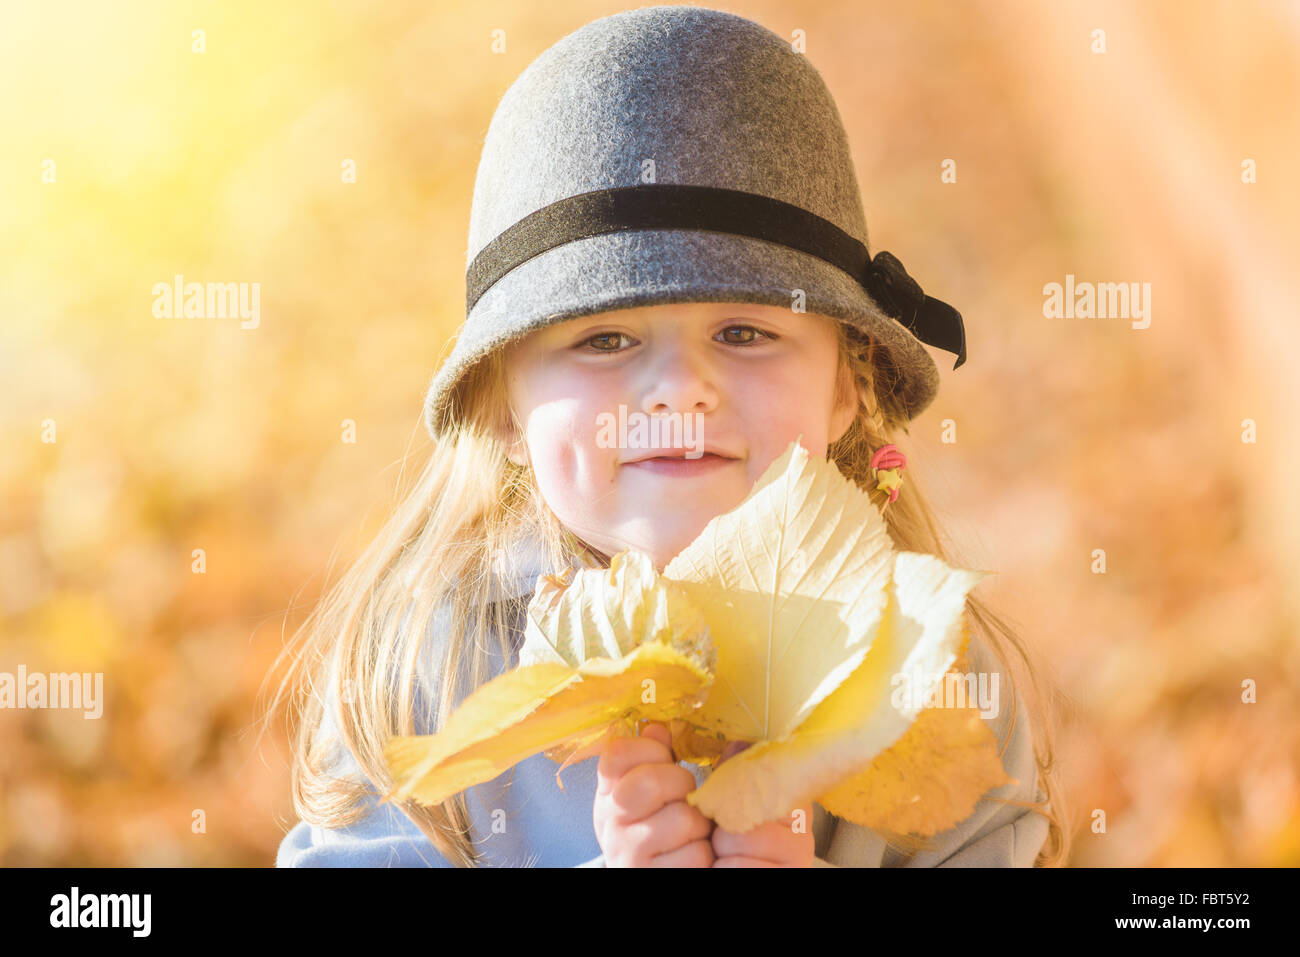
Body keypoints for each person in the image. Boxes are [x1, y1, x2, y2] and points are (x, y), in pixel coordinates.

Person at [267, 5, 1069, 867]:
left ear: (848, 384)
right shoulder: (429, 668)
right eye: (604, 339)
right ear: (502, 406)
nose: (681, 388)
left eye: (744, 332)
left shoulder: (927, 665)